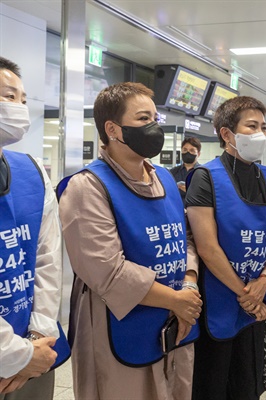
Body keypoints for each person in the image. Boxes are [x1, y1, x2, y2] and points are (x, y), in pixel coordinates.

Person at [58, 82, 202, 400]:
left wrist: (189, 284)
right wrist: (176, 300)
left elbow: (185, 239)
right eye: (142, 119)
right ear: (113, 129)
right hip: (117, 322)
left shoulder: (165, 178)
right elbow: (106, 270)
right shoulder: (87, 187)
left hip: (176, 316)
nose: (154, 127)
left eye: (155, 118)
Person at [186, 96, 266, 400]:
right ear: (227, 134)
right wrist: (247, 293)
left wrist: (265, 279)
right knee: (214, 382)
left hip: (257, 293)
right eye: (252, 126)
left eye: (264, 127)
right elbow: (207, 247)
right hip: (220, 297)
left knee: (247, 381)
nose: (261, 134)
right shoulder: (206, 178)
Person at [0, 56, 68, 399]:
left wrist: (37, 339)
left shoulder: (31, 172)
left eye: (23, 100)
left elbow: (47, 259)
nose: (18, 107)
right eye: (8, 96)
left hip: (35, 346)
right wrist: (13, 355)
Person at [169, 137, 201, 202]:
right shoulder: (173, 172)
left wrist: (190, 191)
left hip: (195, 209)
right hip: (177, 208)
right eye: (185, 150)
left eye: (192, 150)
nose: (188, 153)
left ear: (198, 154)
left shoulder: (203, 173)